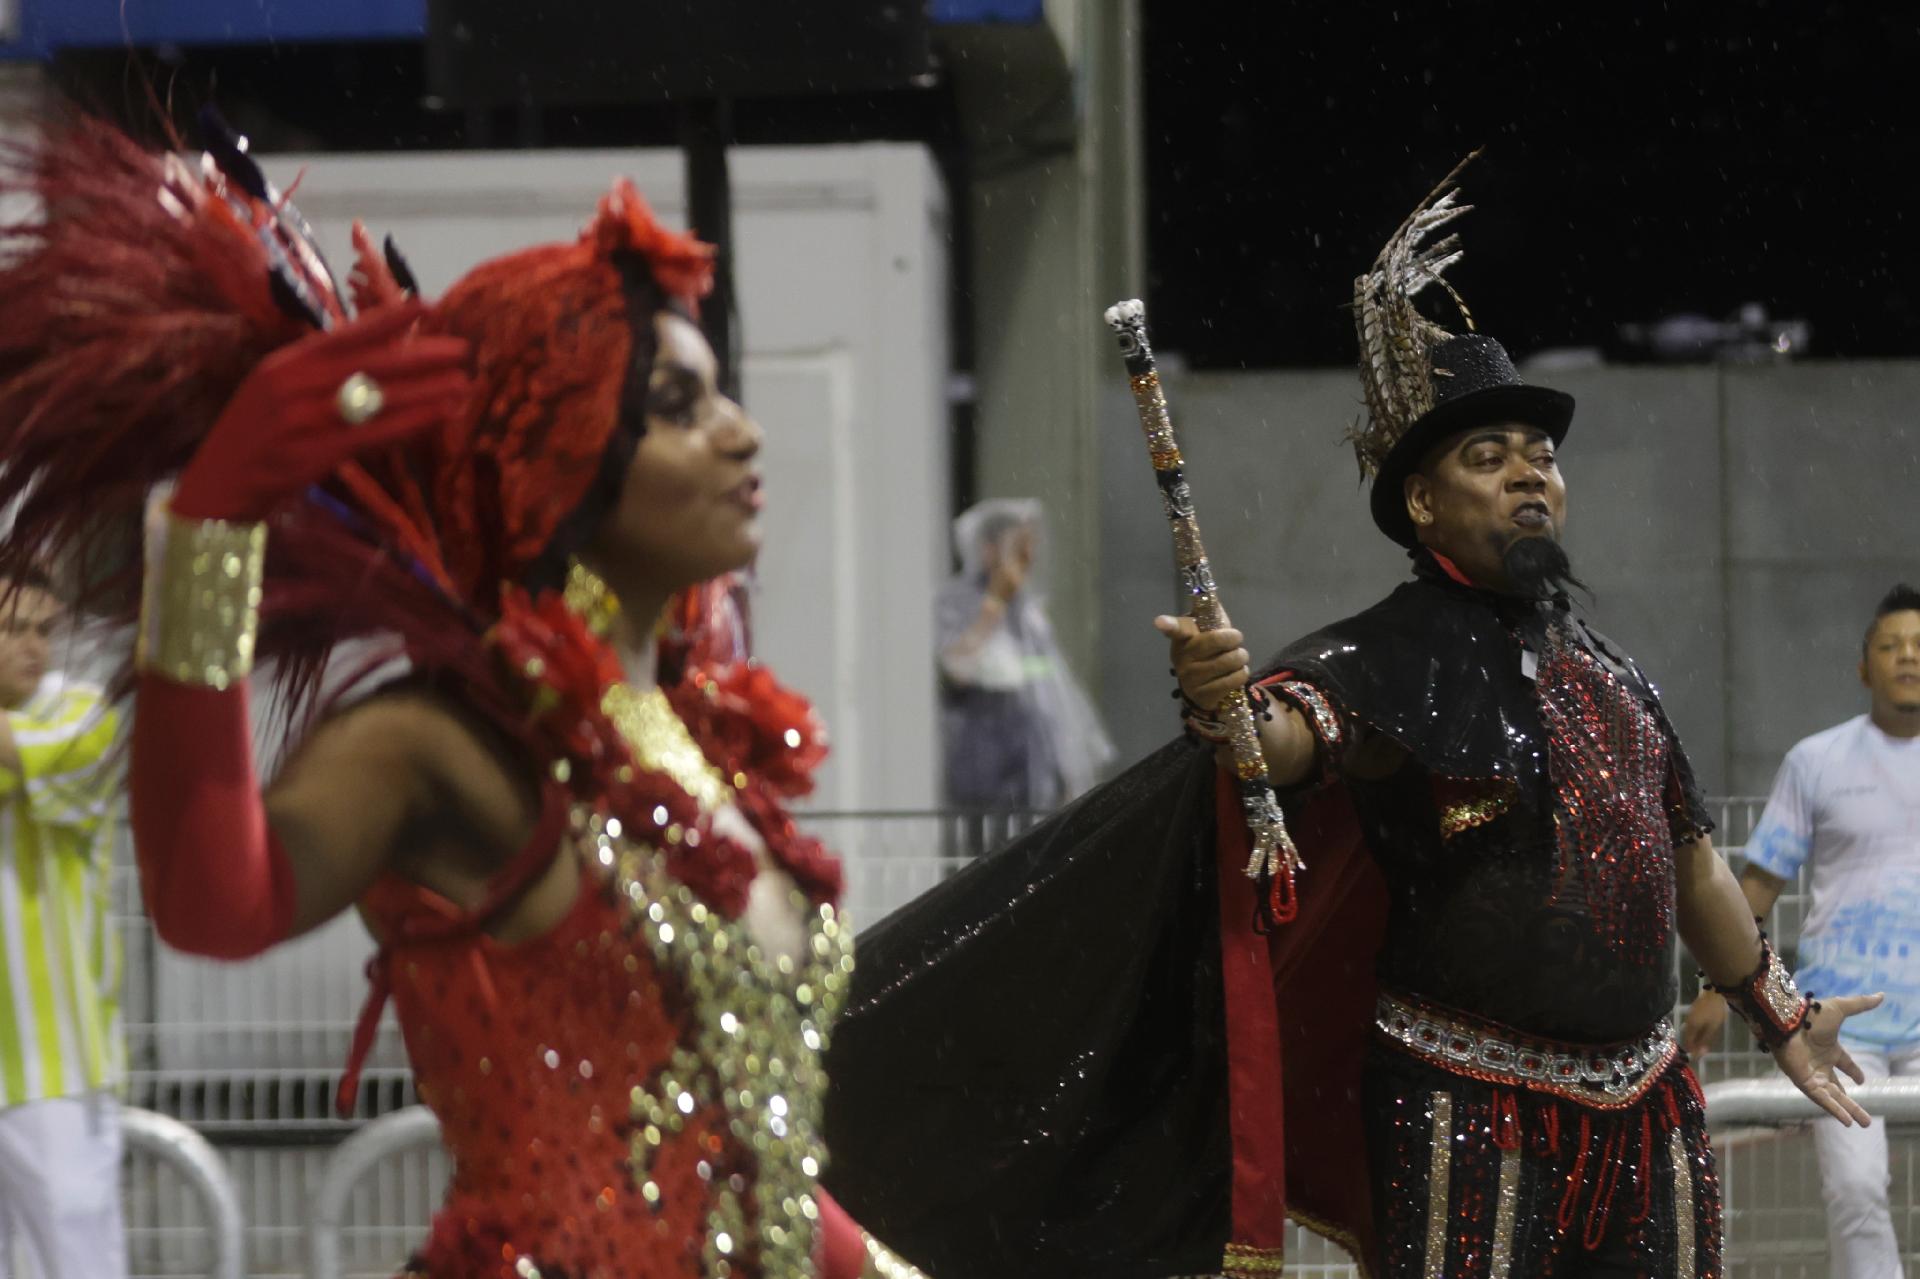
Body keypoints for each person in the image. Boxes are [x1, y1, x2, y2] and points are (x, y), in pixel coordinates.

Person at [821, 157, 1879, 1279]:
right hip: (1472, 1115)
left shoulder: (1613, 673)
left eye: (1543, 456)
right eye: (1490, 456)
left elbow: (1692, 862)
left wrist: (1780, 1009)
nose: (1531, 476)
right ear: (1423, 501)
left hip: (1648, 1117)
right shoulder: (1384, 654)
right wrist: (1227, 705)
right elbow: (1288, 738)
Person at [0, 114, 923, 1279]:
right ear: (563, 452)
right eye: (679, 405)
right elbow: (208, 900)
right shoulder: (445, 745)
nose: (742, 435)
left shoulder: (691, 749)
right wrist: (213, 524)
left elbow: (746, 1157)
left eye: (722, 395)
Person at [1683, 583, 1920, 1278]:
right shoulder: (1816, 761)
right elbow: (1754, 886)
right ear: (1862, 665)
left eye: (1919, 647)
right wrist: (1714, 989)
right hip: (1836, 1023)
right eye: (1891, 646)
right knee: (1853, 1191)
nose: (1907, 657)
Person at [0, 570, 125, 1279]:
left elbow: (26, 757)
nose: (35, 646)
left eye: (44, 629)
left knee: (75, 1264)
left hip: (51, 1064)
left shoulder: (84, 713)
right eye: (12, 628)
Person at [937, 499, 1114, 810]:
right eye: (1018, 546)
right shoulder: (958, 601)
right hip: (984, 773)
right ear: (989, 549)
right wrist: (994, 604)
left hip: (1036, 772)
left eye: (1031, 545)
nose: (1028, 556)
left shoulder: (1029, 612)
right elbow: (956, 670)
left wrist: (1066, 767)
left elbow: (1053, 694)